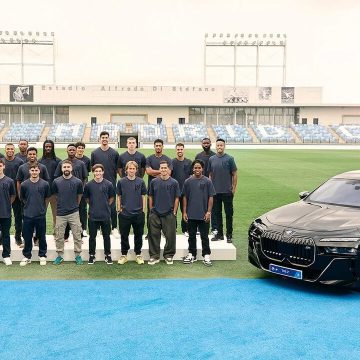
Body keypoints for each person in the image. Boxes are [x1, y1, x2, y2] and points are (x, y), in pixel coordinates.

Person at [182, 159, 216, 266]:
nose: (197, 169)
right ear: (193, 169)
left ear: (202, 169)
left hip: (203, 215)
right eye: (195, 167)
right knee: (191, 236)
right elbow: (185, 198)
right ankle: (192, 254)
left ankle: (206, 255)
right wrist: (184, 212)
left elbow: (211, 197)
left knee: (204, 236)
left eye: (199, 167)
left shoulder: (207, 181)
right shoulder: (188, 182)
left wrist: (208, 212)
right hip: (191, 214)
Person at [148, 161, 180, 265]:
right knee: (153, 235)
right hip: (155, 213)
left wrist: (174, 212)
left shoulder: (174, 182)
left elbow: (176, 198)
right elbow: (150, 196)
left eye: (165, 168)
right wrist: (151, 210)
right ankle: (154, 256)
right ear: (159, 169)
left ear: (168, 169)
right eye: (161, 168)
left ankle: (169, 255)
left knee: (170, 236)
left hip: (169, 213)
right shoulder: (154, 182)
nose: (163, 170)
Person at [16, 147, 50, 246]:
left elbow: (46, 182)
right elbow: (18, 181)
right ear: (27, 155)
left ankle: (37, 239)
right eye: (30, 154)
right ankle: (26, 240)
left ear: (36, 154)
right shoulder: (22, 167)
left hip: (39, 198)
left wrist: (44, 200)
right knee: (26, 220)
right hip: (26, 198)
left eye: (34, 154)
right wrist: (19, 194)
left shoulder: (42, 167)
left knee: (39, 220)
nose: (32, 156)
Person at [52, 160, 84, 265]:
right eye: (64, 167)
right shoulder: (56, 181)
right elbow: (56, 196)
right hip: (61, 213)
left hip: (74, 212)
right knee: (59, 235)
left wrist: (74, 206)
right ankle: (60, 255)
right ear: (61, 169)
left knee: (77, 235)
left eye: (68, 167)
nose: (66, 169)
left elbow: (79, 196)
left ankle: (78, 255)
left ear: (71, 168)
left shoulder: (78, 182)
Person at [54, 144, 88, 241]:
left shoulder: (81, 163)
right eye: (70, 150)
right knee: (66, 213)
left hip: (78, 193)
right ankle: (66, 234)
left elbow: (85, 177)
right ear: (67, 151)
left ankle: (80, 233)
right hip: (66, 194)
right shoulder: (62, 163)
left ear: (76, 150)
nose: (72, 151)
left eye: (73, 149)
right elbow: (57, 177)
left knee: (80, 212)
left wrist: (82, 188)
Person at [19, 163, 51, 266]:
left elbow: (47, 198)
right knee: (27, 236)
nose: (34, 172)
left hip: (40, 215)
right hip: (28, 214)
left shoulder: (45, 184)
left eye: (36, 170)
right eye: (32, 170)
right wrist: (28, 206)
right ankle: (27, 256)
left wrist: (43, 209)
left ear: (39, 171)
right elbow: (22, 198)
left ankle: (42, 255)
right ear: (29, 171)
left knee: (41, 236)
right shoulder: (24, 184)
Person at [83, 164, 115, 265]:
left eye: (99, 171)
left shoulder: (109, 184)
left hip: (105, 215)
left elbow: (111, 197)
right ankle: (92, 255)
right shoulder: (88, 185)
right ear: (93, 172)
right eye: (96, 171)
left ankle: (107, 255)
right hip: (93, 215)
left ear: (103, 172)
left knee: (106, 236)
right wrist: (93, 206)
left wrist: (105, 205)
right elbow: (87, 198)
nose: (98, 173)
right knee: (92, 236)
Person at [116, 161, 147, 265]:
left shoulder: (141, 181)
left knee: (139, 234)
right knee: (124, 235)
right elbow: (119, 196)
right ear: (126, 170)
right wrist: (119, 209)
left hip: (138, 214)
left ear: (136, 170)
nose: (131, 170)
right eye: (130, 169)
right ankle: (124, 254)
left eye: (133, 169)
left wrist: (143, 210)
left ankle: (138, 254)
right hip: (125, 214)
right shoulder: (121, 182)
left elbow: (143, 196)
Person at [90, 131, 119, 237]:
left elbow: (117, 168)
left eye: (106, 137)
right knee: (98, 205)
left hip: (111, 183)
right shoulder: (94, 153)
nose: (104, 139)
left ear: (109, 139)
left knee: (112, 206)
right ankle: (98, 228)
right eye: (103, 137)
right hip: (97, 184)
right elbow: (93, 168)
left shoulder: (115, 153)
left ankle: (114, 227)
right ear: (100, 139)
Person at [208, 138, 237, 243]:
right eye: (218, 145)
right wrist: (210, 188)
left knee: (229, 214)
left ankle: (229, 235)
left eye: (221, 145)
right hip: (215, 192)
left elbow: (234, 174)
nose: (219, 147)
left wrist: (233, 188)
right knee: (217, 214)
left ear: (224, 146)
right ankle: (219, 234)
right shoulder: (211, 159)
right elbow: (210, 175)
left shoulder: (229, 159)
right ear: (215, 146)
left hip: (227, 192)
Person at [145, 138, 173, 235]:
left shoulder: (168, 159)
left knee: (165, 211)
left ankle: (165, 232)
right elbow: (148, 171)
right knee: (151, 211)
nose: (158, 147)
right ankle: (150, 233)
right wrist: (162, 171)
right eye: (156, 145)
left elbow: (169, 173)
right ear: (154, 147)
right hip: (152, 190)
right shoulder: (149, 158)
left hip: (165, 191)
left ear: (162, 147)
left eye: (159, 145)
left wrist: (155, 172)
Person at [3, 143, 24, 247]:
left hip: (15, 194)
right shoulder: (2, 161)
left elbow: (21, 178)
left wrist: (19, 193)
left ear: (14, 150)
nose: (10, 150)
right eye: (8, 149)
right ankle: (2, 237)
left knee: (18, 217)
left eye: (12, 149)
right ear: (5, 150)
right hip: (3, 195)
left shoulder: (19, 162)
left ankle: (18, 237)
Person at [195, 137, 217, 234]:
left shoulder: (214, 156)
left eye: (207, 143)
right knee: (201, 205)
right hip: (200, 184)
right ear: (202, 144)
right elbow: (195, 170)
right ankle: (200, 227)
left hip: (212, 184)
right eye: (204, 143)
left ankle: (214, 228)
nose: (206, 145)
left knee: (214, 207)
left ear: (210, 144)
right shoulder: (198, 156)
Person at [39, 140, 62, 230]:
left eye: (50, 147)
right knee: (40, 216)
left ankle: (57, 235)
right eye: (46, 146)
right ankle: (39, 236)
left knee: (56, 216)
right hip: (42, 194)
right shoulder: (39, 162)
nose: (48, 148)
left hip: (55, 194)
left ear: (52, 148)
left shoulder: (58, 161)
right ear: (44, 147)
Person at [171, 143, 192, 235]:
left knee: (185, 210)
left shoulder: (189, 162)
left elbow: (191, 177)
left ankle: (185, 229)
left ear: (184, 150)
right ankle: (173, 229)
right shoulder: (172, 162)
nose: (180, 151)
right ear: (176, 150)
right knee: (173, 210)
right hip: (174, 191)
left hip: (185, 192)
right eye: (178, 149)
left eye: (181, 149)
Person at [0, 159, 16, 265]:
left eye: (0, 165)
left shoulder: (9, 181)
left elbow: (13, 195)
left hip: (5, 213)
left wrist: (6, 204)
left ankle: (6, 255)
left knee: (6, 235)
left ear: (3, 166)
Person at [75, 141, 91, 237]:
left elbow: (86, 174)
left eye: (82, 148)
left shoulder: (87, 160)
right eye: (79, 148)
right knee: (72, 209)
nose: (80, 149)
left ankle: (84, 229)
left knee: (83, 209)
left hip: (83, 188)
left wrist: (83, 187)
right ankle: (71, 229)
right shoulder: (71, 159)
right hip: (72, 189)